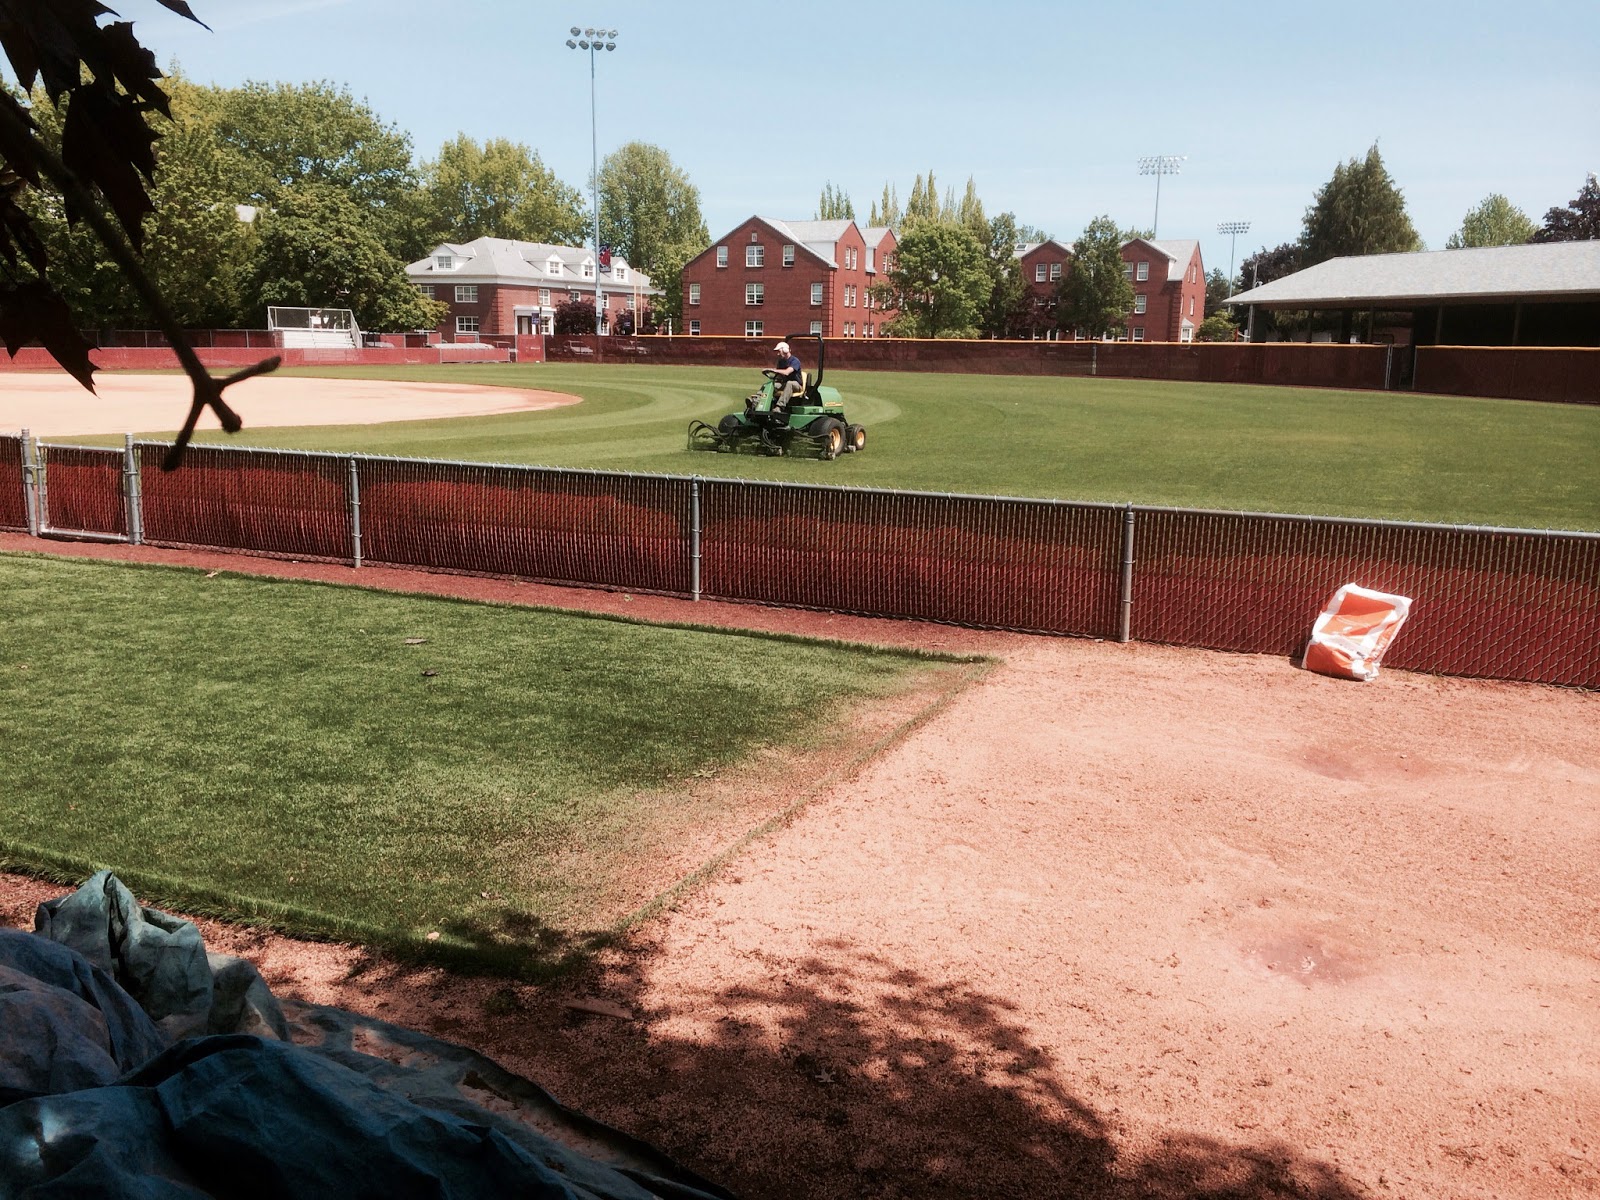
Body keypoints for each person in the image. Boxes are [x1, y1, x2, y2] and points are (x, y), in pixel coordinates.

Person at [770, 340, 803, 411]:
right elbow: (779, 375)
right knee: (771, 384)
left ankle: (780, 406)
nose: (778, 354)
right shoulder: (781, 361)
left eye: (779, 351)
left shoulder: (795, 361)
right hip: (785, 383)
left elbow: (787, 372)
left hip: (796, 385)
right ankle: (757, 400)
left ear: (785, 350)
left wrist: (775, 370)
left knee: (789, 383)